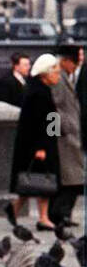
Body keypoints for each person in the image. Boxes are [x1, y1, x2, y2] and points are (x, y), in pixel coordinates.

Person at [9, 53, 61, 230]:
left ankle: (15, 210)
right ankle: (43, 218)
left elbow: (52, 118)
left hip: (46, 142)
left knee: (34, 181)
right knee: (42, 179)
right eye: (55, 72)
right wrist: (42, 146)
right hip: (40, 145)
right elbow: (38, 122)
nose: (58, 75)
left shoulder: (41, 89)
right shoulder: (38, 93)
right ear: (46, 73)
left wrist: (55, 134)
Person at [49, 44, 83, 226]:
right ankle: (59, 215)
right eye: (74, 63)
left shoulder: (64, 77)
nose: (75, 68)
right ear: (65, 61)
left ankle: (63, 215)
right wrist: (54, 134)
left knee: (73, 180)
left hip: (69, 136)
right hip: (63, 138)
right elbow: (51, 108)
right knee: (70, 181)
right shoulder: (57, 79)